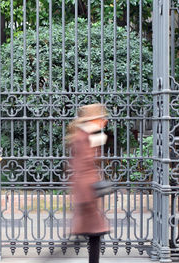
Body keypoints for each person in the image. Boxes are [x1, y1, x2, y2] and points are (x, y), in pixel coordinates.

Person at [68, 103, 110, 263]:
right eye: (102, 118)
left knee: (93, 233)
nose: (104, 121)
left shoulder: (87, 135)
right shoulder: (83, 137)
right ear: (94, 119)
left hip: (87, 193)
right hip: (87, 193)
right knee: (95, 233)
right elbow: (83, 166)